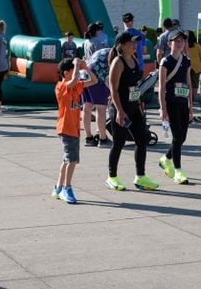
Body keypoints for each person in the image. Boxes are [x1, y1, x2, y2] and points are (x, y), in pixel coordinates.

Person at [105, 31, 158, 191]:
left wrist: (139, 104)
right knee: (118, 143)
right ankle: (112, 177)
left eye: (136, 42)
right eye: (131, 43)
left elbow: (135, 87)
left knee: (142, 141)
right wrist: (120, 112)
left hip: (134, 108)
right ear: (121, 45)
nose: (135, 45)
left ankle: (140, 177)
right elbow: (113, 89)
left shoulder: (134, 59)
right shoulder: (118, 62)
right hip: (120, 109)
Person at [52, 57, 98, 204]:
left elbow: (94, 81)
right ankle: (67, 187)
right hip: (65, 128)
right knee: (72, 159)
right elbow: (72, 81)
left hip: (74, 129)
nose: (76, 73)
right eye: (73, 71)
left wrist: (85, 68)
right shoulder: (61, 86)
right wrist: (77, 65)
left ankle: (58, 187)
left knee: (67, 159)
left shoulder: (76, 85)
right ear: (66, 73)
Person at [158, 29, 194, 184]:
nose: (180, 43)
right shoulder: (165, 62)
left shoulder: (186, 61)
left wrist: (191, 104)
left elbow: (189, 82)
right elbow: (161, 86)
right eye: (176, 41)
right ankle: (178, 171)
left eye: (182, 41)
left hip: (183, 103)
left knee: (183, 137)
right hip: (171, 102)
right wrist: (162, 108)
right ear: (169, 43)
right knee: (177, 136)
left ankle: (166, 158)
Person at [82, 47, 112, 148]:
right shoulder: (117, 55)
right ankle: (103, 139)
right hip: (98, 77)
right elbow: (112, 76)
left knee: (87, 107)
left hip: (85, 76)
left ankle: (89, 138)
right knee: (101, 108)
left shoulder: (105, 50)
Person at [186, 30, 201, 103]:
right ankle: (193, 99)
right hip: (196, 67)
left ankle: (188, 98)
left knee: (187, 83)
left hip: (187, 66)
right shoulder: (197, 46)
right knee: (195, 84)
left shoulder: (184, 45)